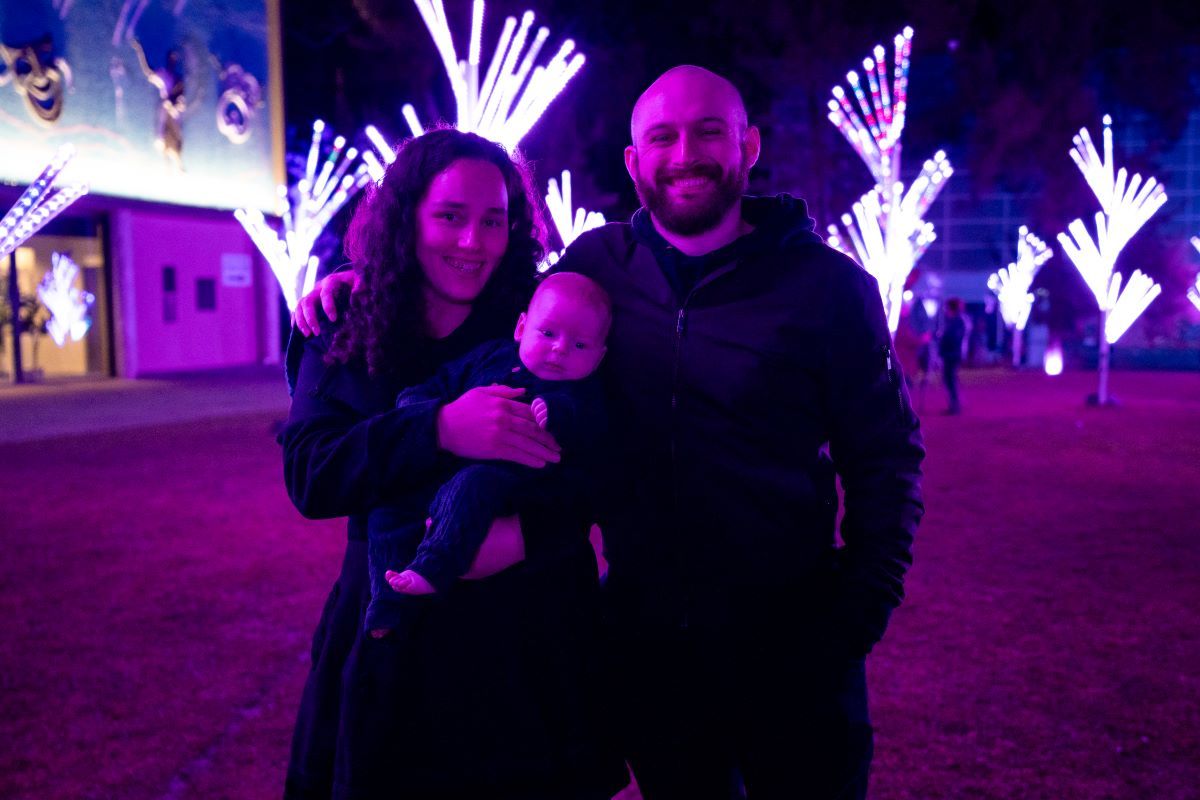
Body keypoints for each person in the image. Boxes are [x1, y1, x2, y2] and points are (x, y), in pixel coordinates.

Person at [299, 66, 925, 800]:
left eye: (708, 132)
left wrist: (856, 616)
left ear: (749, 146)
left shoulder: (828, 287)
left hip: (787, 634)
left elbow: (885, 458)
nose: (684, 153)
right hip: (649, 639)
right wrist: (352, 278)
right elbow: (486, 294)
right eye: (661, 136)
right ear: (634, 161)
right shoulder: (596, 271)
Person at [280, 127, 626, 800]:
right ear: (406, 216)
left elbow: (602, 463)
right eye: (449, 216)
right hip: (393, 649)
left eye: (493, 220)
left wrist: (529, 536)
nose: (472, 242)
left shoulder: (540, 321)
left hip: (526, 648)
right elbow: (313, 473)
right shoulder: (350, 321)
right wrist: (439, 429)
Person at [365, 272, 612, 638]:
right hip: (447, 468)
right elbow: (443, 382)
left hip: (512, 484)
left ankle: (433, 569)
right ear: (521, 327)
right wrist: (418, 405)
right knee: (388, 509)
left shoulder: (583, 392)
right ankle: (387, 599)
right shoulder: (490, 357)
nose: (560, 349)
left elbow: (593, 431)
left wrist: (559, 416)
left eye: (579, 346)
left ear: (599, 356)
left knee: (472, 485)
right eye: (548, 334)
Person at [938, 297, 967, 414]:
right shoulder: (955, 320)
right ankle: (954, 404)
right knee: (949, 379)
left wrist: (943, 340)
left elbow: (954, 337)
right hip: (951, 353)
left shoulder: (956, 321)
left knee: (950, 379)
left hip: (952, 354)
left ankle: (955, 405)